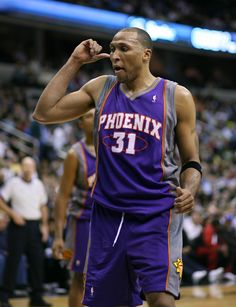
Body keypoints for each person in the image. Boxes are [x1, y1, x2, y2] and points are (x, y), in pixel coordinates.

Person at [33, 27, 202, 307]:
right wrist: (74, 61)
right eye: (112, 49)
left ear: (146, 54)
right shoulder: (101, 87)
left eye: (124, 48)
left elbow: (192, 161)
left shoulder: (176, 96)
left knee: (161, 300)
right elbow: (44, 113)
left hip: (156, 214)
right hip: (108, 215)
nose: (115, 55)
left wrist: (190, 189)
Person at [52, 109, 96, 307]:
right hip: (82, 221)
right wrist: (58, 236)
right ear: (80, 124)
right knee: (80, 279)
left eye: (97, 115)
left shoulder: (113, 148)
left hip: (109, 220)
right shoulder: (74, 154)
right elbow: (62, 197)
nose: (94, 119)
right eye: (88, 116)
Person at [0, 157, 51, 307]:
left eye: (31, 166)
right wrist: (13, 214)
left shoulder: (39, 184)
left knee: (37, 262)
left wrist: (45, 225)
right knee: (13, 261)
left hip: (35, 226)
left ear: (34, 168)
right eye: (25, 166)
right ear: (21, 167)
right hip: (18, 226)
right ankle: (4, 297)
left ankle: (36, 297)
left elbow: (43, 206)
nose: (28, 168)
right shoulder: (13, 183)